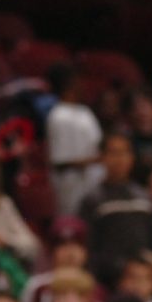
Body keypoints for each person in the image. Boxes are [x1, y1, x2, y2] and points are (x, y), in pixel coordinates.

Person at [80, 130, 152, 288]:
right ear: (102, 157)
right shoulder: (93, 200)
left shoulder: (144, 198)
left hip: (144, 280)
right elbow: (90, 249)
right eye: (114, 153)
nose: (120, 159)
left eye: (125, 152)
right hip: (108, 282)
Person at [46, 62, 103, 216]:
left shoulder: (85, 111)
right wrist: (94, 160)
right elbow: (59, 161)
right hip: (71, 187)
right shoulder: (58, 116)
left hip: (93, 181)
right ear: (68, 84)